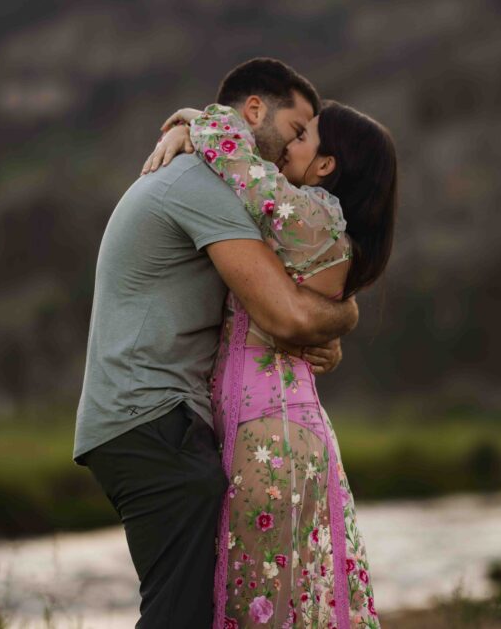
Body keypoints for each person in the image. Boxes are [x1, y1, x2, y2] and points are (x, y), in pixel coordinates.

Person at [73, 59, 360, 628]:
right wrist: (345, 315)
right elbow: (286, 315)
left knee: (191, 607)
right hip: (149, 417)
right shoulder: (200, 184)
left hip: (146, 417)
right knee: (178, 613)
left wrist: (329, 330)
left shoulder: (215, 177)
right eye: (297, 129)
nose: (300, 145)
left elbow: (290, 298)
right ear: (254, 111)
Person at [146, 94, 397, 628]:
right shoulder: (320, 230)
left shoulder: (309, 214)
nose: (291, 141)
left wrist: (191, 119)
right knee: (277, 606)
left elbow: (239, 162)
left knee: (252, 608)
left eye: (304, 136)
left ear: (326, 166)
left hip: (267, 436)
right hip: (286, 428)